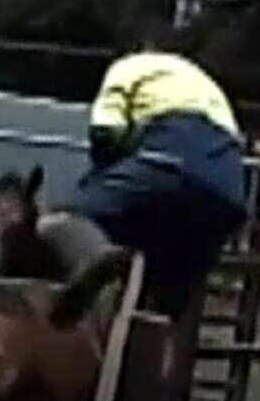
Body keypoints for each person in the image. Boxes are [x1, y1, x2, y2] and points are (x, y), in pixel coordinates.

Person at [41, 22, 249, 322]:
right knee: (164, 297)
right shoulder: (204, 82)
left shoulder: (130, 67)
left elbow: (105, 132)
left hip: (168, 157)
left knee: (63, 219)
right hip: (227, 191)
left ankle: (95, 258)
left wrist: (97, 185)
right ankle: (153, 357)